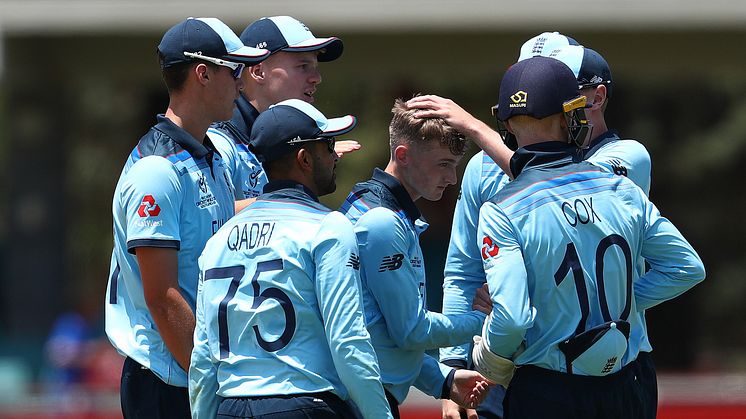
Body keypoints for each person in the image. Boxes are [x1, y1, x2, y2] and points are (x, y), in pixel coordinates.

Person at [409, 32, 657, 419]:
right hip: (511, 369)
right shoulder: (481, 168)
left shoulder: (625, 159)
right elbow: (463, 271)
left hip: (618, 364)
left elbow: (554, 183)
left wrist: (476, 129)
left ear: (595, 96)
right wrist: (454, 371)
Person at [471, 55, 705, 418]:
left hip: (547, 390)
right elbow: (686, 267)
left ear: (506, 123)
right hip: (627, 384)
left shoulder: (502, 210)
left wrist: (490, 364)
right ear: (571, 116)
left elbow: (513, 318)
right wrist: (614, 303)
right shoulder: (619, 189)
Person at [104, 18, 269, 418]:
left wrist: (304, 214)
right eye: (235, 71)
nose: (243, 83)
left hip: (193, 373)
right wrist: (209, 383)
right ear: (203, 75)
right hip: (170, 380)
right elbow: (162, 298)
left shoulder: (208, 151)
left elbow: (219, 217)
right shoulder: (156, 170)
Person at [189, 99, 393, 419]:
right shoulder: (327, 227)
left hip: (230, 407)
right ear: (304, 158)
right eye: (327, 145)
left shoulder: (217, 241)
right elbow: (348, 342)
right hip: (303, 402)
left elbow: (202, 356)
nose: (334, 155)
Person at [339, 98, 493, 418]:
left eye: (455, 165)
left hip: (363, 393)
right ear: (403, 156)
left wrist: (443, 379)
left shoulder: (369, 205)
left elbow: (380, 333)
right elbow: (410, 331)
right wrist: (482, 321)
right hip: (362, 399)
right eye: (443, 164)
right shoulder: (381, 222)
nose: (452, 178)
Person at [207, 16, 358, 211]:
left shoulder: (288, 138)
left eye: (315, 68)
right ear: (258, 71)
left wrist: (315, 161)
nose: (317, 78)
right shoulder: (220, 142)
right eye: (303, 67)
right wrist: (291, 194)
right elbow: (208, 216)